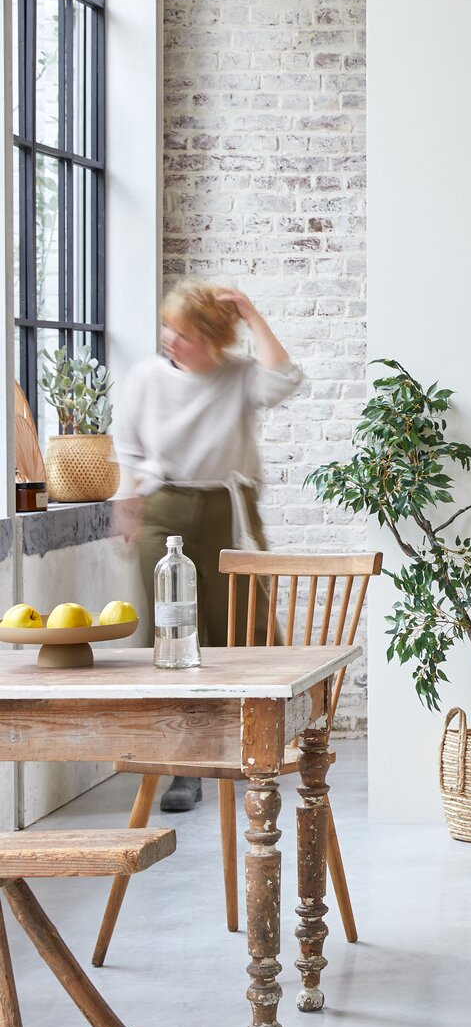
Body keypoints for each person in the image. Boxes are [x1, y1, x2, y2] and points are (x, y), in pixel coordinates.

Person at [116, 282, 304, 812]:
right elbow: (129, 452)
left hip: (228, 511)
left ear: (216, 342)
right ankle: (185, 766)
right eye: (168, 328)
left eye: (187, 334)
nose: (171, 340)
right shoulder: (145, 379)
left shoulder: (238, 375)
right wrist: (127, 508)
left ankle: (250, 745)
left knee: (244, 630)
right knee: (171, 637)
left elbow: (285, 378)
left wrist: (249, 309)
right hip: (165, 511)